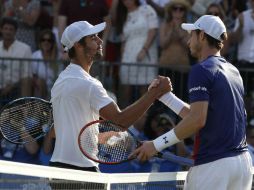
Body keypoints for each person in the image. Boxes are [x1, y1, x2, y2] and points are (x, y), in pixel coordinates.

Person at [131, 15, 253, 190]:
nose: (188, 40)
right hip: (242, 166)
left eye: (192, 35)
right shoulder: (234, 71)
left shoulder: (201, 70)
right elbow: (200, 116)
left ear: (202, 35)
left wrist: (155, 145)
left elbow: (197, 120)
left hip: (214, 165)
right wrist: (166, 97)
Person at [50, 20, 171, 173]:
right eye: (93, 38)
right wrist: (154, 93)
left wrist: (99, 137)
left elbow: (58, 131)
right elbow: (120, 122)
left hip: (56, 169)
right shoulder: (89, 84)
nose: (100, 41)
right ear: (78, 46)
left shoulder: (59, 82)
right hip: (82, 171)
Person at [0, 17, 32, 107]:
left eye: (11, 29)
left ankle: (26, 116)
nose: (8, 32)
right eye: (5, 29)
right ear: (1, 30)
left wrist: (11, 86)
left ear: (15, 31)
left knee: (26, 81)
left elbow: (27, 74)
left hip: (16, 88)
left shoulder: (25, 49)